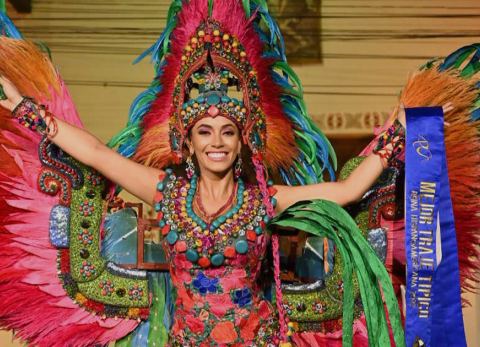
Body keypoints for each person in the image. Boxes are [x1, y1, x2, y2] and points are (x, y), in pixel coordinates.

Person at [0, 1, 464, 347]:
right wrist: (27, 111)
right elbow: (98, 153)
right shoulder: (165, 191)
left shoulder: (266, 198)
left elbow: (347, 190)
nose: (216, 141)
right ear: (189, 141)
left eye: (227, 131)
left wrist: (399, 134)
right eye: (205, 131)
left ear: (243, 141)